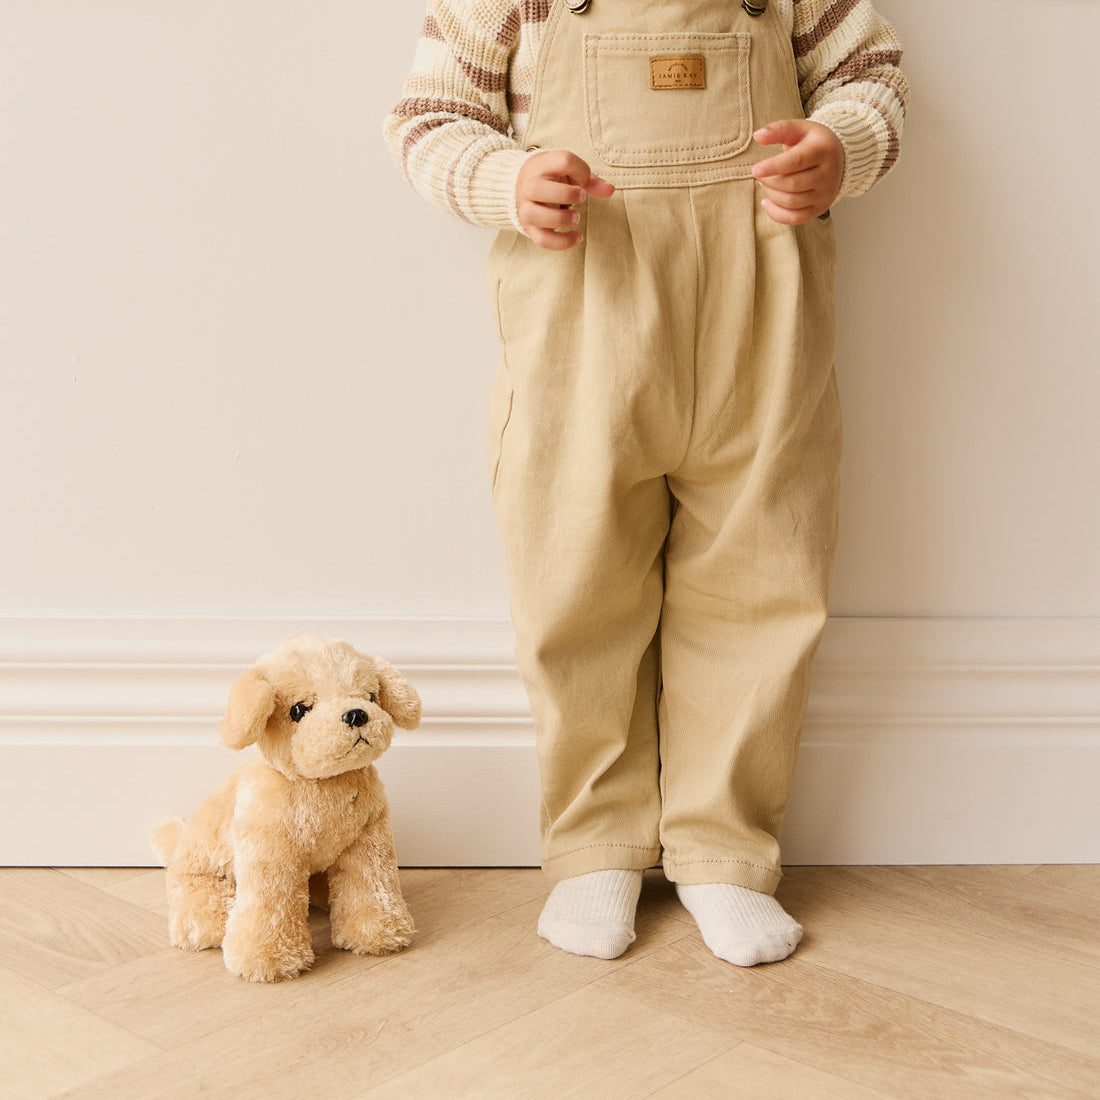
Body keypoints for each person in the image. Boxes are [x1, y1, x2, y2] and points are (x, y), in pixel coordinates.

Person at [385, 0, 908, 966]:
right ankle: (596, 843)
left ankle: (725, 848)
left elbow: (871, 78)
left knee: (762, 584)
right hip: (582, 333)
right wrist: (507, 181)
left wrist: (842, 147)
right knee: (574, 587)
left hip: (763, 334)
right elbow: (427, 118)